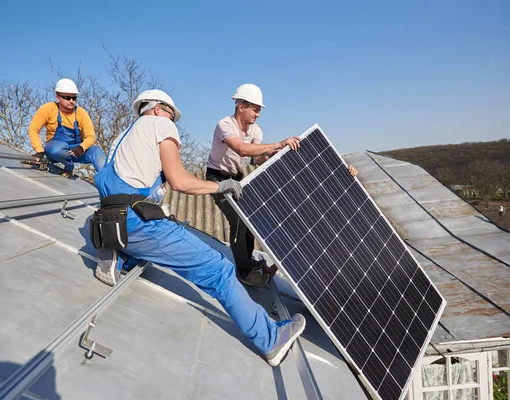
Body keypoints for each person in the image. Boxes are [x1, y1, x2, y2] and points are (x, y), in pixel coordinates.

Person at [93, 89, 305, 367]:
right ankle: (270, 339)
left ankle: (119, 253)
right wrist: (218, 186)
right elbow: (179, 181)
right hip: (138, 224)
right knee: (219, 269)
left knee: (157, 229)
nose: (173, 121)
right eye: (171, 114)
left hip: (110, 223)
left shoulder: (124, 135)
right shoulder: (161, 125)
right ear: (158, 109)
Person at [206, 84, 357, 288]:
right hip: (218, 178)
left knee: (251, 217)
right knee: (238, 221)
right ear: (241, 106)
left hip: (237, 176)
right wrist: (278, 144)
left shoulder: (255, 130)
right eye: (256, 109)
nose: (258, 114)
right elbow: (242, 149)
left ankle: (248, 259)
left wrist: (282, 155)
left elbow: (257, 158)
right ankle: (245, 272)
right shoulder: (225, 125)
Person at [27, 78, 105, 178]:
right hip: (57, 150)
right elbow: (33, 129)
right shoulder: (48, 109)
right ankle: (69, 167)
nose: (71, 101)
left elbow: (91, 137)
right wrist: (39, 151)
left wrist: (81, 147)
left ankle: (108, 185)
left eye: (74, 98)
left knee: (97, 152)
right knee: (55, 149)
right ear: (58, 97)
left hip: (77, 150)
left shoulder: (81, 113)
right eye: (67, 98)